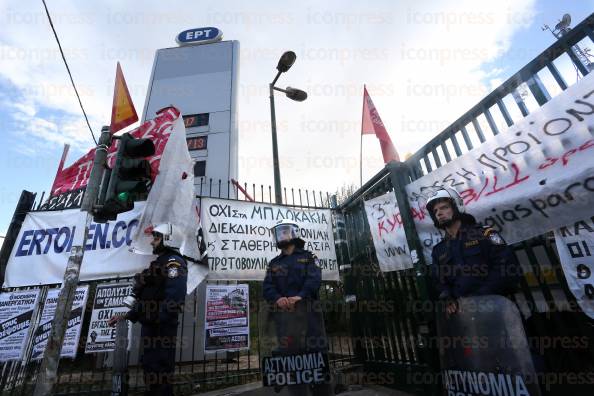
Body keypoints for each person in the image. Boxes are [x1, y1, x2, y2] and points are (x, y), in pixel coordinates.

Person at [108, 223, 187, 396]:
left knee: (160, 370)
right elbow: (147, 297)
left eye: (156, 238)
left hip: (161, 328)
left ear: (169, 239)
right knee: (150, 367)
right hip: (152, 326)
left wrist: (159, 318)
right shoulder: (158, 263)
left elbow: (175, 297)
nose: (152, 242)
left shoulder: (174, 263)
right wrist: (126, 316)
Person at [425, 188, 521, 315]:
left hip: (496, 309)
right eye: (435, 211)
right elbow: (439, 282)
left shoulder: (485, 234)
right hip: (463, 317)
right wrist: (447, 298)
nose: (439, 213)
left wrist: (479, 297)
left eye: (444, 207)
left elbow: (508, 268)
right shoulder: (439, 250)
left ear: (457, 206)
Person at [262, 220, 330, 395]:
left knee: (316, 355)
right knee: (291, 357)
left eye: (285, 232)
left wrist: (299, 296)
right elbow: (267, 287)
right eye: (278, 233)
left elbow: (314, 279)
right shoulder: (274, 263)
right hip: (285, 318)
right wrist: (278, 299)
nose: (281, 235)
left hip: (308, 313)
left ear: (293, 234)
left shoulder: (308, 257)